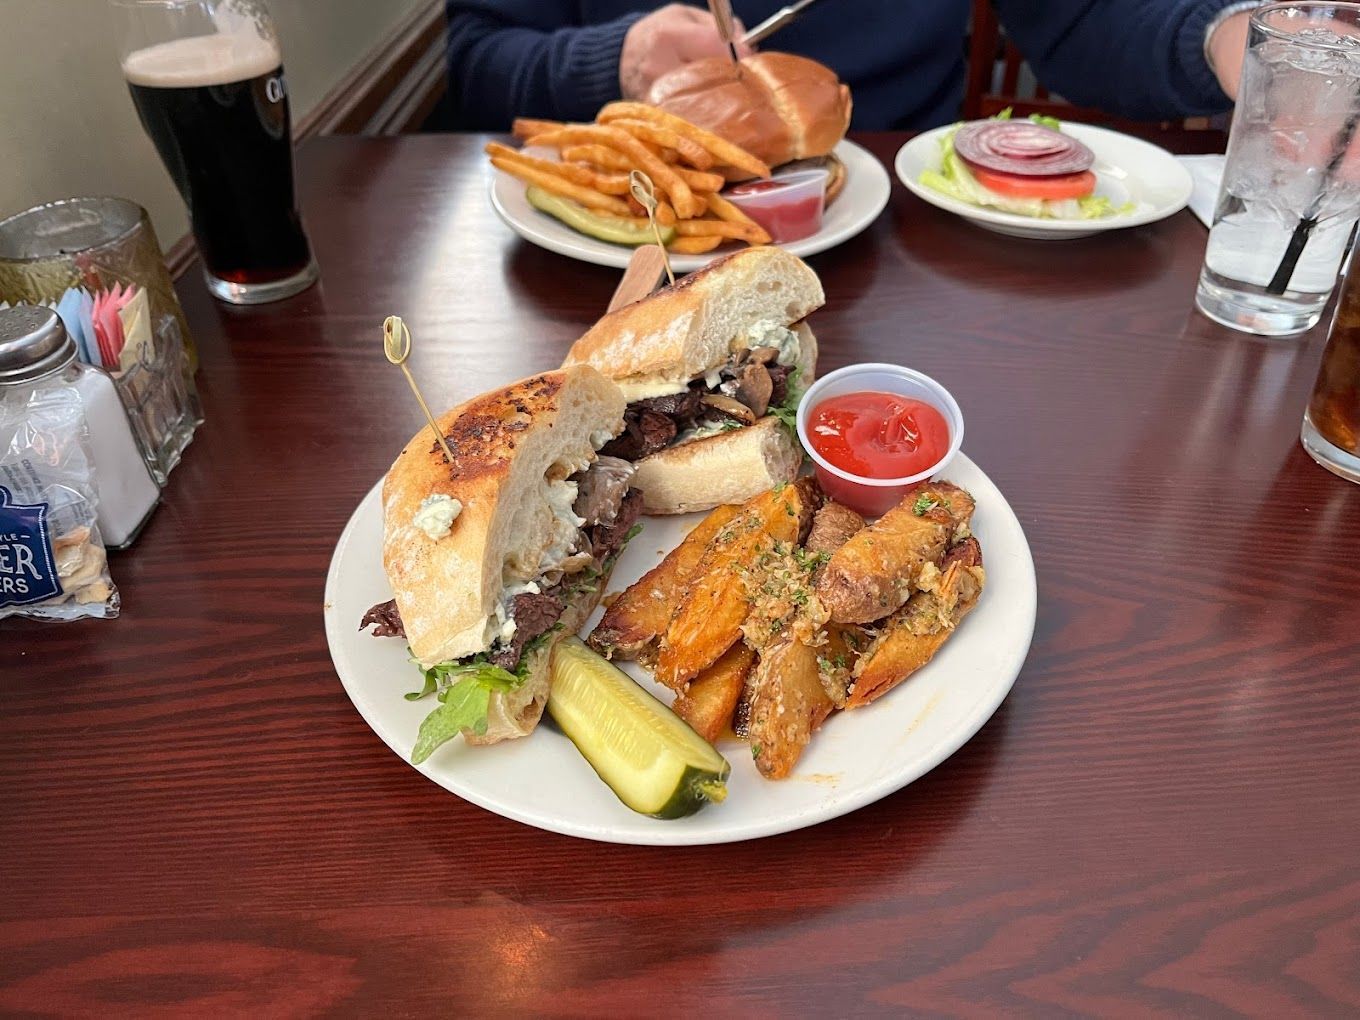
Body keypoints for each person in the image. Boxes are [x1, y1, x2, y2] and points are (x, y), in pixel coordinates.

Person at [443, 1, 1255, 132]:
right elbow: (478, 59)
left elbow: (1081, 21)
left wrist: (1218, 35)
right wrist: (611, 61)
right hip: (618, 236)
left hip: (905, 235)